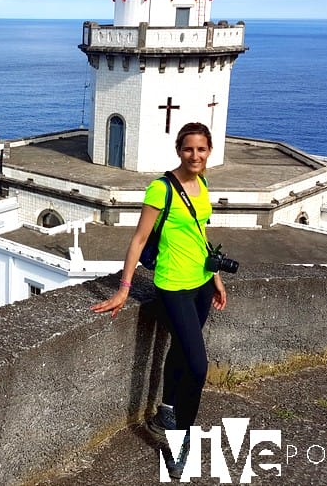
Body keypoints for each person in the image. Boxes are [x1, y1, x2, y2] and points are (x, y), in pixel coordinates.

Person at [91, 121, 227, 479]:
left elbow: (201, 235)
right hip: (171, 285)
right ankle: (181, 442)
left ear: (209, 150)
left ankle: (166, 408)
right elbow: (138, 240)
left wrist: (215, 278)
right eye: (188, 149)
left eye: (201, 149)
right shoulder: (161, 189)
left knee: (182, 351)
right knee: (198, 367)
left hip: (199, 283)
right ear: (179, 150)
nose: (195, 155)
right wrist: (124, 288)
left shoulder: (202, 185)